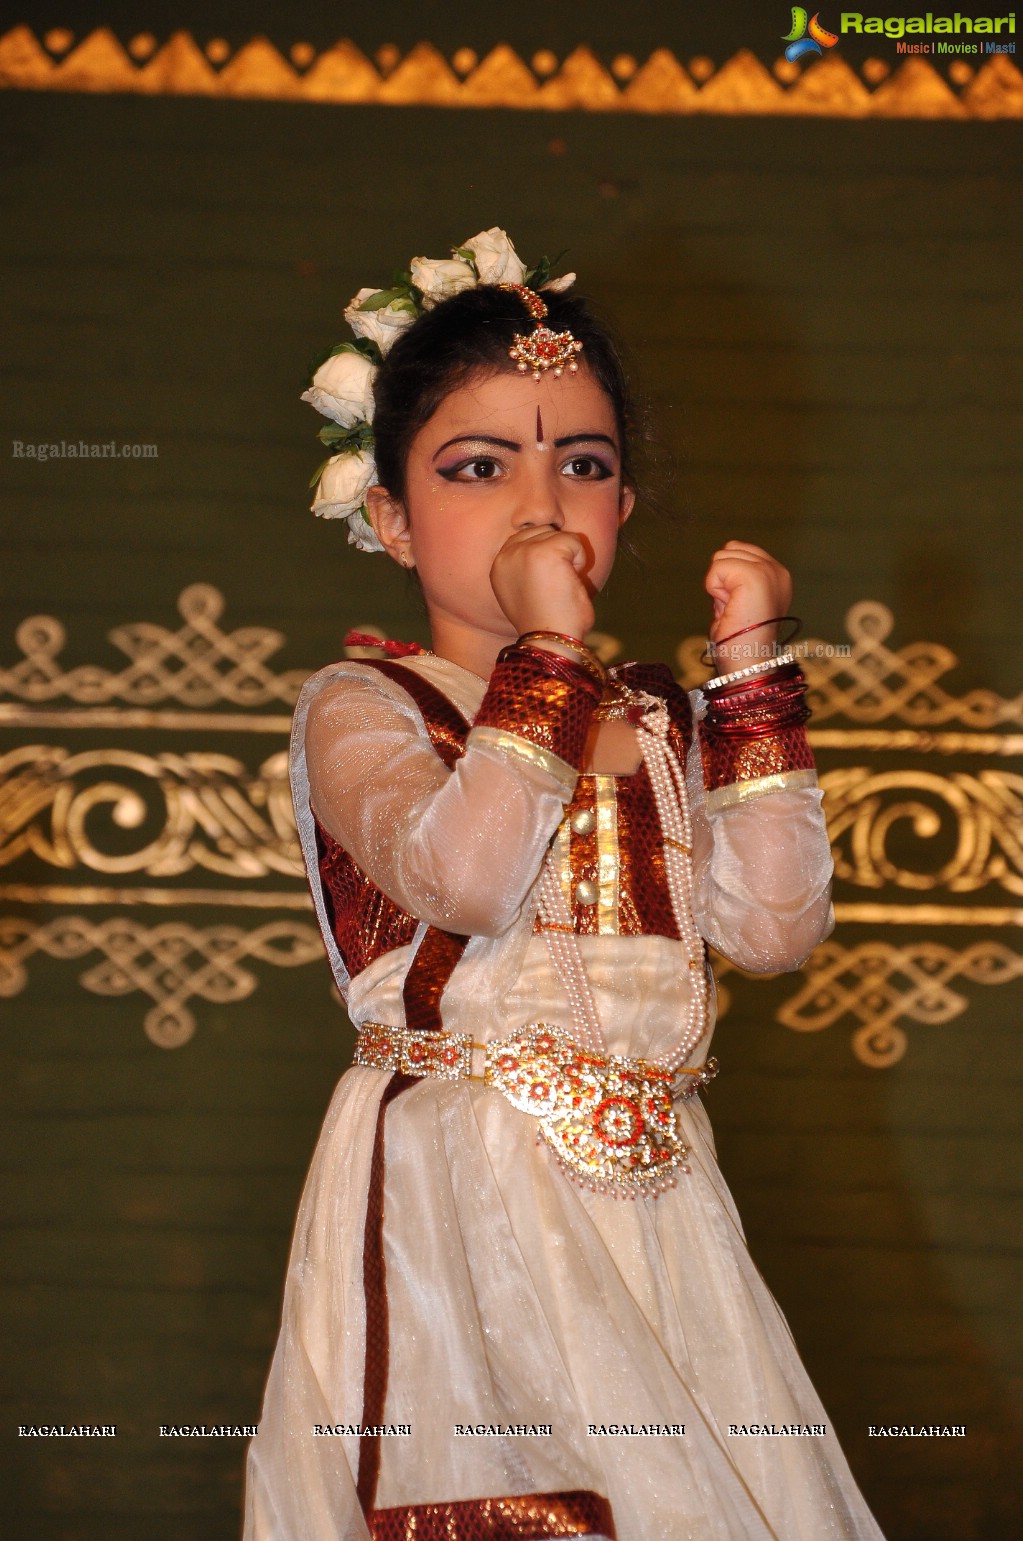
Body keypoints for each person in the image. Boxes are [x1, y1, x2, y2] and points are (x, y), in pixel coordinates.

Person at [243, 229, 885, 1540]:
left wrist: (753, 671)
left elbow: (773, 927)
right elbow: (467, 878)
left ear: (625, 512)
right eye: (478, 468)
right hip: (457, 1202)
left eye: (582, 465)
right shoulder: (366, 705)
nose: (541, 505)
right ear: (389, 516)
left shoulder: (654, 717)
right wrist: (546, 650)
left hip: (660, 1203)